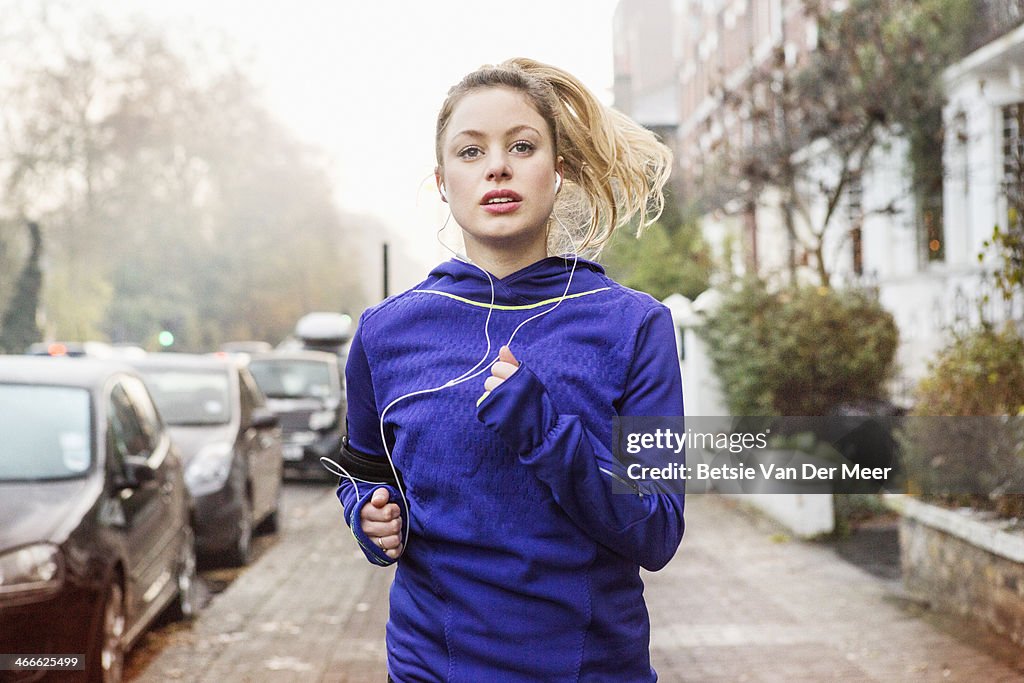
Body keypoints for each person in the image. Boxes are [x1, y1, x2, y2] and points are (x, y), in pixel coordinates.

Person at [334, 57, 685, 682]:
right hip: (430, 670)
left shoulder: (633, 326)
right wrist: (367, 514)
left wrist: (545, 434)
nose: (497, 165)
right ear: (443, 181)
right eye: (471, 152)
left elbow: (657, 529)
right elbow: (362, 472)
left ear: (558, 172)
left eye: (522, 146)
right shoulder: (385, 332)